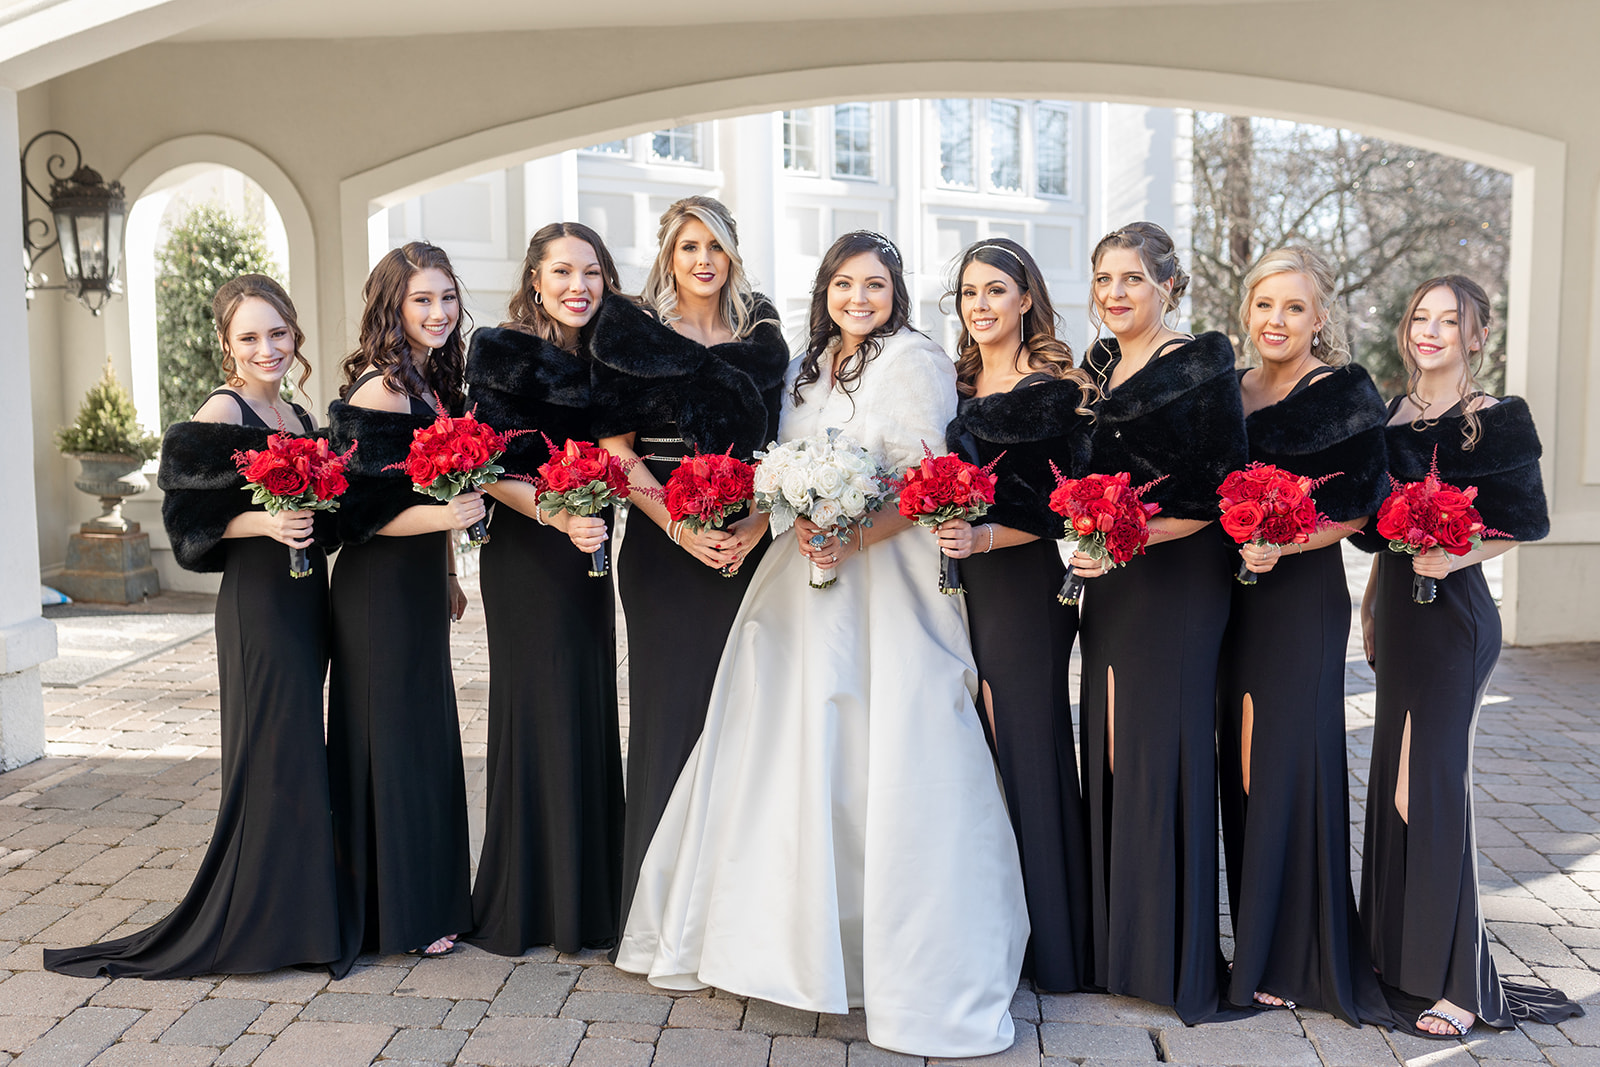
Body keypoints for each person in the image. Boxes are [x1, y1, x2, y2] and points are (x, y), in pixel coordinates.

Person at [616, 231, 1028, 1058]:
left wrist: (853, 538)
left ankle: (888, 949)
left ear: (896, 292)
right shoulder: (807, 363)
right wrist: (759, 524)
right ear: (825, 290)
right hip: (799, 569)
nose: (858, 299)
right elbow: (783, 467)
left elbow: (925, 485)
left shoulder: (912, 361)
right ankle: (776, 937)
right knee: (782, 738)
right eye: (844, 284)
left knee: (884, 746)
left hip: (886, 577)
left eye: (874, 285)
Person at [46, 275, 339, 978]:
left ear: (294, 333)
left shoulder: (299, 416)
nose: (267, 348)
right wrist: (262, 521)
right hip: (259, 603)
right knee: (271, 751)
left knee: (301, 750)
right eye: (249, 337)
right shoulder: (221, 409)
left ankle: (306, 915)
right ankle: (266, 925)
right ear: (226, 346)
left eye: (277, 333)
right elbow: (188, 522)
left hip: (306, 597)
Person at [1357, 275, 1581, 1038]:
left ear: (1475, 335)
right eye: (1420, 316)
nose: (1430, 331)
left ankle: (1459, 981)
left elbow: (1527, 522)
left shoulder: (1495, 419)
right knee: (1392, 788)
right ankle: (1394, 957)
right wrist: (1370, 604)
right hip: (1397, 610)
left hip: (1454, 617)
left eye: (1448, 321)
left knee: (1432, 790)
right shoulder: (1387, 415)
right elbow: (1376, 532)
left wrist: (1455, 559)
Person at [588, 196, 788, 934]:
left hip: (747, 544)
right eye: (689, 246)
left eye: (716, 245)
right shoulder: (632, 331)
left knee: (746, 717)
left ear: (733, 252)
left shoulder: (761, 332)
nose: (703, 259)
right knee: (671, 717)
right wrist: (677, 527)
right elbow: (617, 450)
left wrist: (757, 523)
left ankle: (733, 908)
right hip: (664, 549)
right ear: (670, 255)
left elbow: (780, 447)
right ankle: (657, 909)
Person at [1067, 221, 1247, 1024]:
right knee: (1108, 742)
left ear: (1168, 284)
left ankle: (1172, 959)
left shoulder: (1201, 363)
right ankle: (1120, 948)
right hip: (1111, 579)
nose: (1114, 292)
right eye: (1103, 278)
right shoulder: (1100, 363)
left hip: (1175, 579)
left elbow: (1218, 494)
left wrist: (1120, 539)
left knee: (1160, 751)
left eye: (1131, 278)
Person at [1214, 247, 1391, 1023]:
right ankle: (1255, 944)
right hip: (1228, 602)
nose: (1276, 321)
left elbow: (1360, 508)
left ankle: (1297, 955)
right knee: (1241, 765)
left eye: (1294, 307)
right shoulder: (1228, 389)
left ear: (1321, 317)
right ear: (1246, 311)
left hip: (1299, 599)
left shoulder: (1343, 392)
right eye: (1264, 305)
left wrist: (1285, 540)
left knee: (1286, 764)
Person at [938, 238, 1096, 993]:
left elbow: (1057, 508)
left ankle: (1056, 947)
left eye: (996, 290)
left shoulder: (1053, 390)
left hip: (1022, 582)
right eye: (970, 291)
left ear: (1026, 298)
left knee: (1023, 749)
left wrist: (982, 535)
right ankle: (993, 923)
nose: (981, 304)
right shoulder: (955, 379)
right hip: (958, 578)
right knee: (972, 753)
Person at [464, 223, 626, 955]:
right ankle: (531, 902)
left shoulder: (613, 356)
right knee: (541, 700)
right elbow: (484, 463)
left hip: (590, 547)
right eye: (561, 271)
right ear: (535, 278)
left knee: (588, 698)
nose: (577, 286)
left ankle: (591, 899)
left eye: (591, 271)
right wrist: (556, 513)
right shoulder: (500, 352)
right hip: (531, 546)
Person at [326, 242, 484, 974]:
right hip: (376, 590)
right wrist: (450, 520)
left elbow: (421, 495)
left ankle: (425, 899)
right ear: (393, 306)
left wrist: (448, 568)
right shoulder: (377, 391)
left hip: (417, 583)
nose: (439, 312)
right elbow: (357, 511)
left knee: (423, 736)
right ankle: (396, 914)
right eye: (423, 300)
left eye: (447, 297)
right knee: (391, 741)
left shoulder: (429, 384)